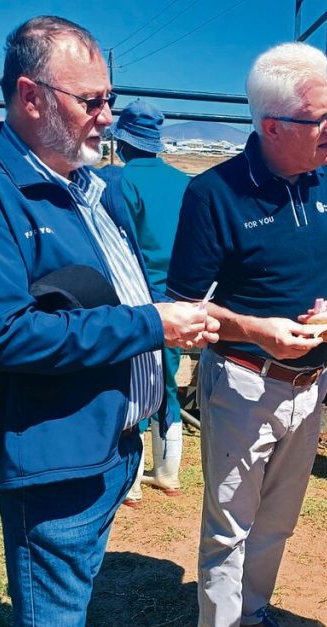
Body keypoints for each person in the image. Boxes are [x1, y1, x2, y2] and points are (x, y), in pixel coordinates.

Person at [0, 17, 218, 627]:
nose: (106, 115)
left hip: (108, 439)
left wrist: (168, 317)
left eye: (108, 98)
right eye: (89, 100)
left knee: (67, 607)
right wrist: (149, 325)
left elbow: (123, 292)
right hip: (50, 450)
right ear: (30, 96)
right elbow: (6, 335)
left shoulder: (94, 187)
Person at [167, 42, 327, 627]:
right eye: (321, 119)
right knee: (230, 525)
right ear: (272, 124)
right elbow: (188, 306)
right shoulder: (213, 194)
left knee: (278, 521)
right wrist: (256, 330)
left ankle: (252, 616)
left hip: (310, 386)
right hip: (244, 383)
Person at [106, 99, 191, 505]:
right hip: (178, 299)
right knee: (170, 382)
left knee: (137, 384)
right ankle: (169, 473)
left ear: (123, 143)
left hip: (136, 300)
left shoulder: (118, 183)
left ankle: (133, 482)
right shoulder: (185, 183)